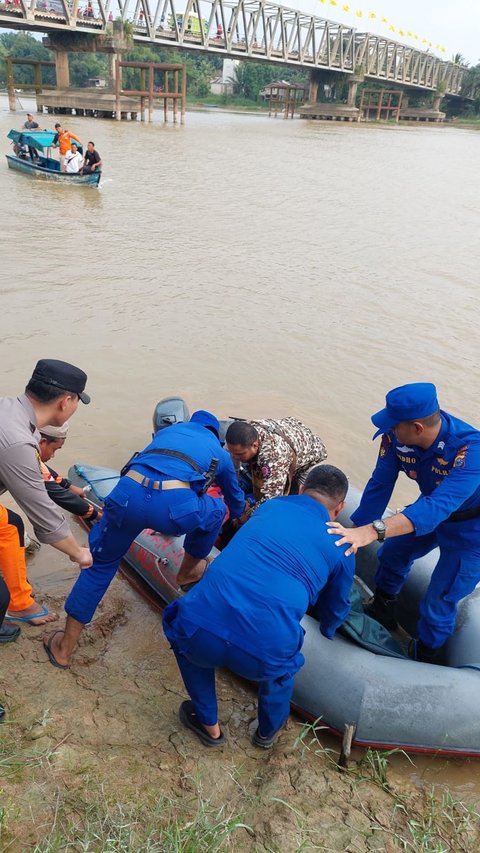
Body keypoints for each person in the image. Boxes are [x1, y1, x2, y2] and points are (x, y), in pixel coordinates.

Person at [163, 464, 354, 748]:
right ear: (339, 508)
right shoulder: (344, 543)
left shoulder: (271, 506)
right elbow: (336, 606)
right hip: (264, 654)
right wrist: (328, 630)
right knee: (281, 675)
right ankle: (266, 734)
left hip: (202, 631)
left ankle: (209, 726)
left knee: (185, 635)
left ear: (301, 489)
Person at [43, 409, 248, 670]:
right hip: (174, 509)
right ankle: (187, 572)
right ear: (215, 435)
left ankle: (64, 648)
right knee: (217, 509)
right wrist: (238, 518)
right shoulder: (218, 452)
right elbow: (235, 500)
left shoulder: (167, 433)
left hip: (126, 496)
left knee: (97, 568)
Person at [327, 383, 480, 663]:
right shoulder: (396, 438)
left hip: (470, 529)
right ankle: (383, 608)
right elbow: (379, 485)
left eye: (395, 425)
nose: (390, 431)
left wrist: (374, 531)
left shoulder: (470, 451)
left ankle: (425, 657)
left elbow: (437, 508)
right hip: (431, 505)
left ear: (418, 428)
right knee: (392, 552)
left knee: (440, 598)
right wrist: (353, 533)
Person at [0, 360, 92, 629]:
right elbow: (44, 515)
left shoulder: (10, 409)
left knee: (11, 525)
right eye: (77, 402)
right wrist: (79, 553)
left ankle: (19, 603)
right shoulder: (17, 441)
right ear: (66, 401)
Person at [225, 417, 327, 524]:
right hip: (289, 437)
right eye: (232, 453)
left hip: (309, 454)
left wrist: (247, 516)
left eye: (240, 454)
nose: (234, 457)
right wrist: (236, 496)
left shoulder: (273, 456)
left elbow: (271, 498)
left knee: (297, 500)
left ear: (254, 446)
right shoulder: (240, 436)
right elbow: (232, 464)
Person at [39, 422, 102, 524]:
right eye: (54, 449)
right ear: (42, 442)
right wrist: (98, 516)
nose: (52, 455)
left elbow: (44, 471)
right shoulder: (28, 459)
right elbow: (59, 495)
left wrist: (69, 486)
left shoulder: (27, 450)